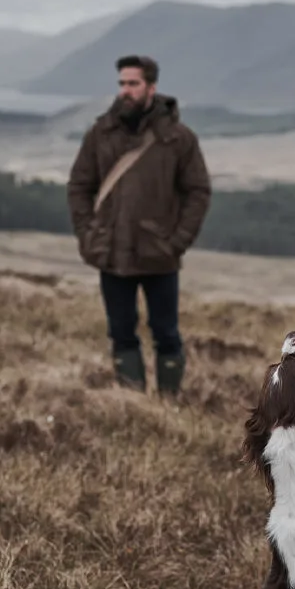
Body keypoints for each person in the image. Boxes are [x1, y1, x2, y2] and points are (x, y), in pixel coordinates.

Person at [67, 54, 211, 394]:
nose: (125, 91)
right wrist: (89, 234)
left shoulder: (177, 138)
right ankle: (131, 403)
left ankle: (168, 404)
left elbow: (198, 192)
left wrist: (177, 241)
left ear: (151, 87)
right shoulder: (101, 134)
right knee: (121, 332)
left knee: (166, 334)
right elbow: (79, 187)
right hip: (112, 253)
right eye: (122, 84)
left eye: (133, 83)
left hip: (159, 254)